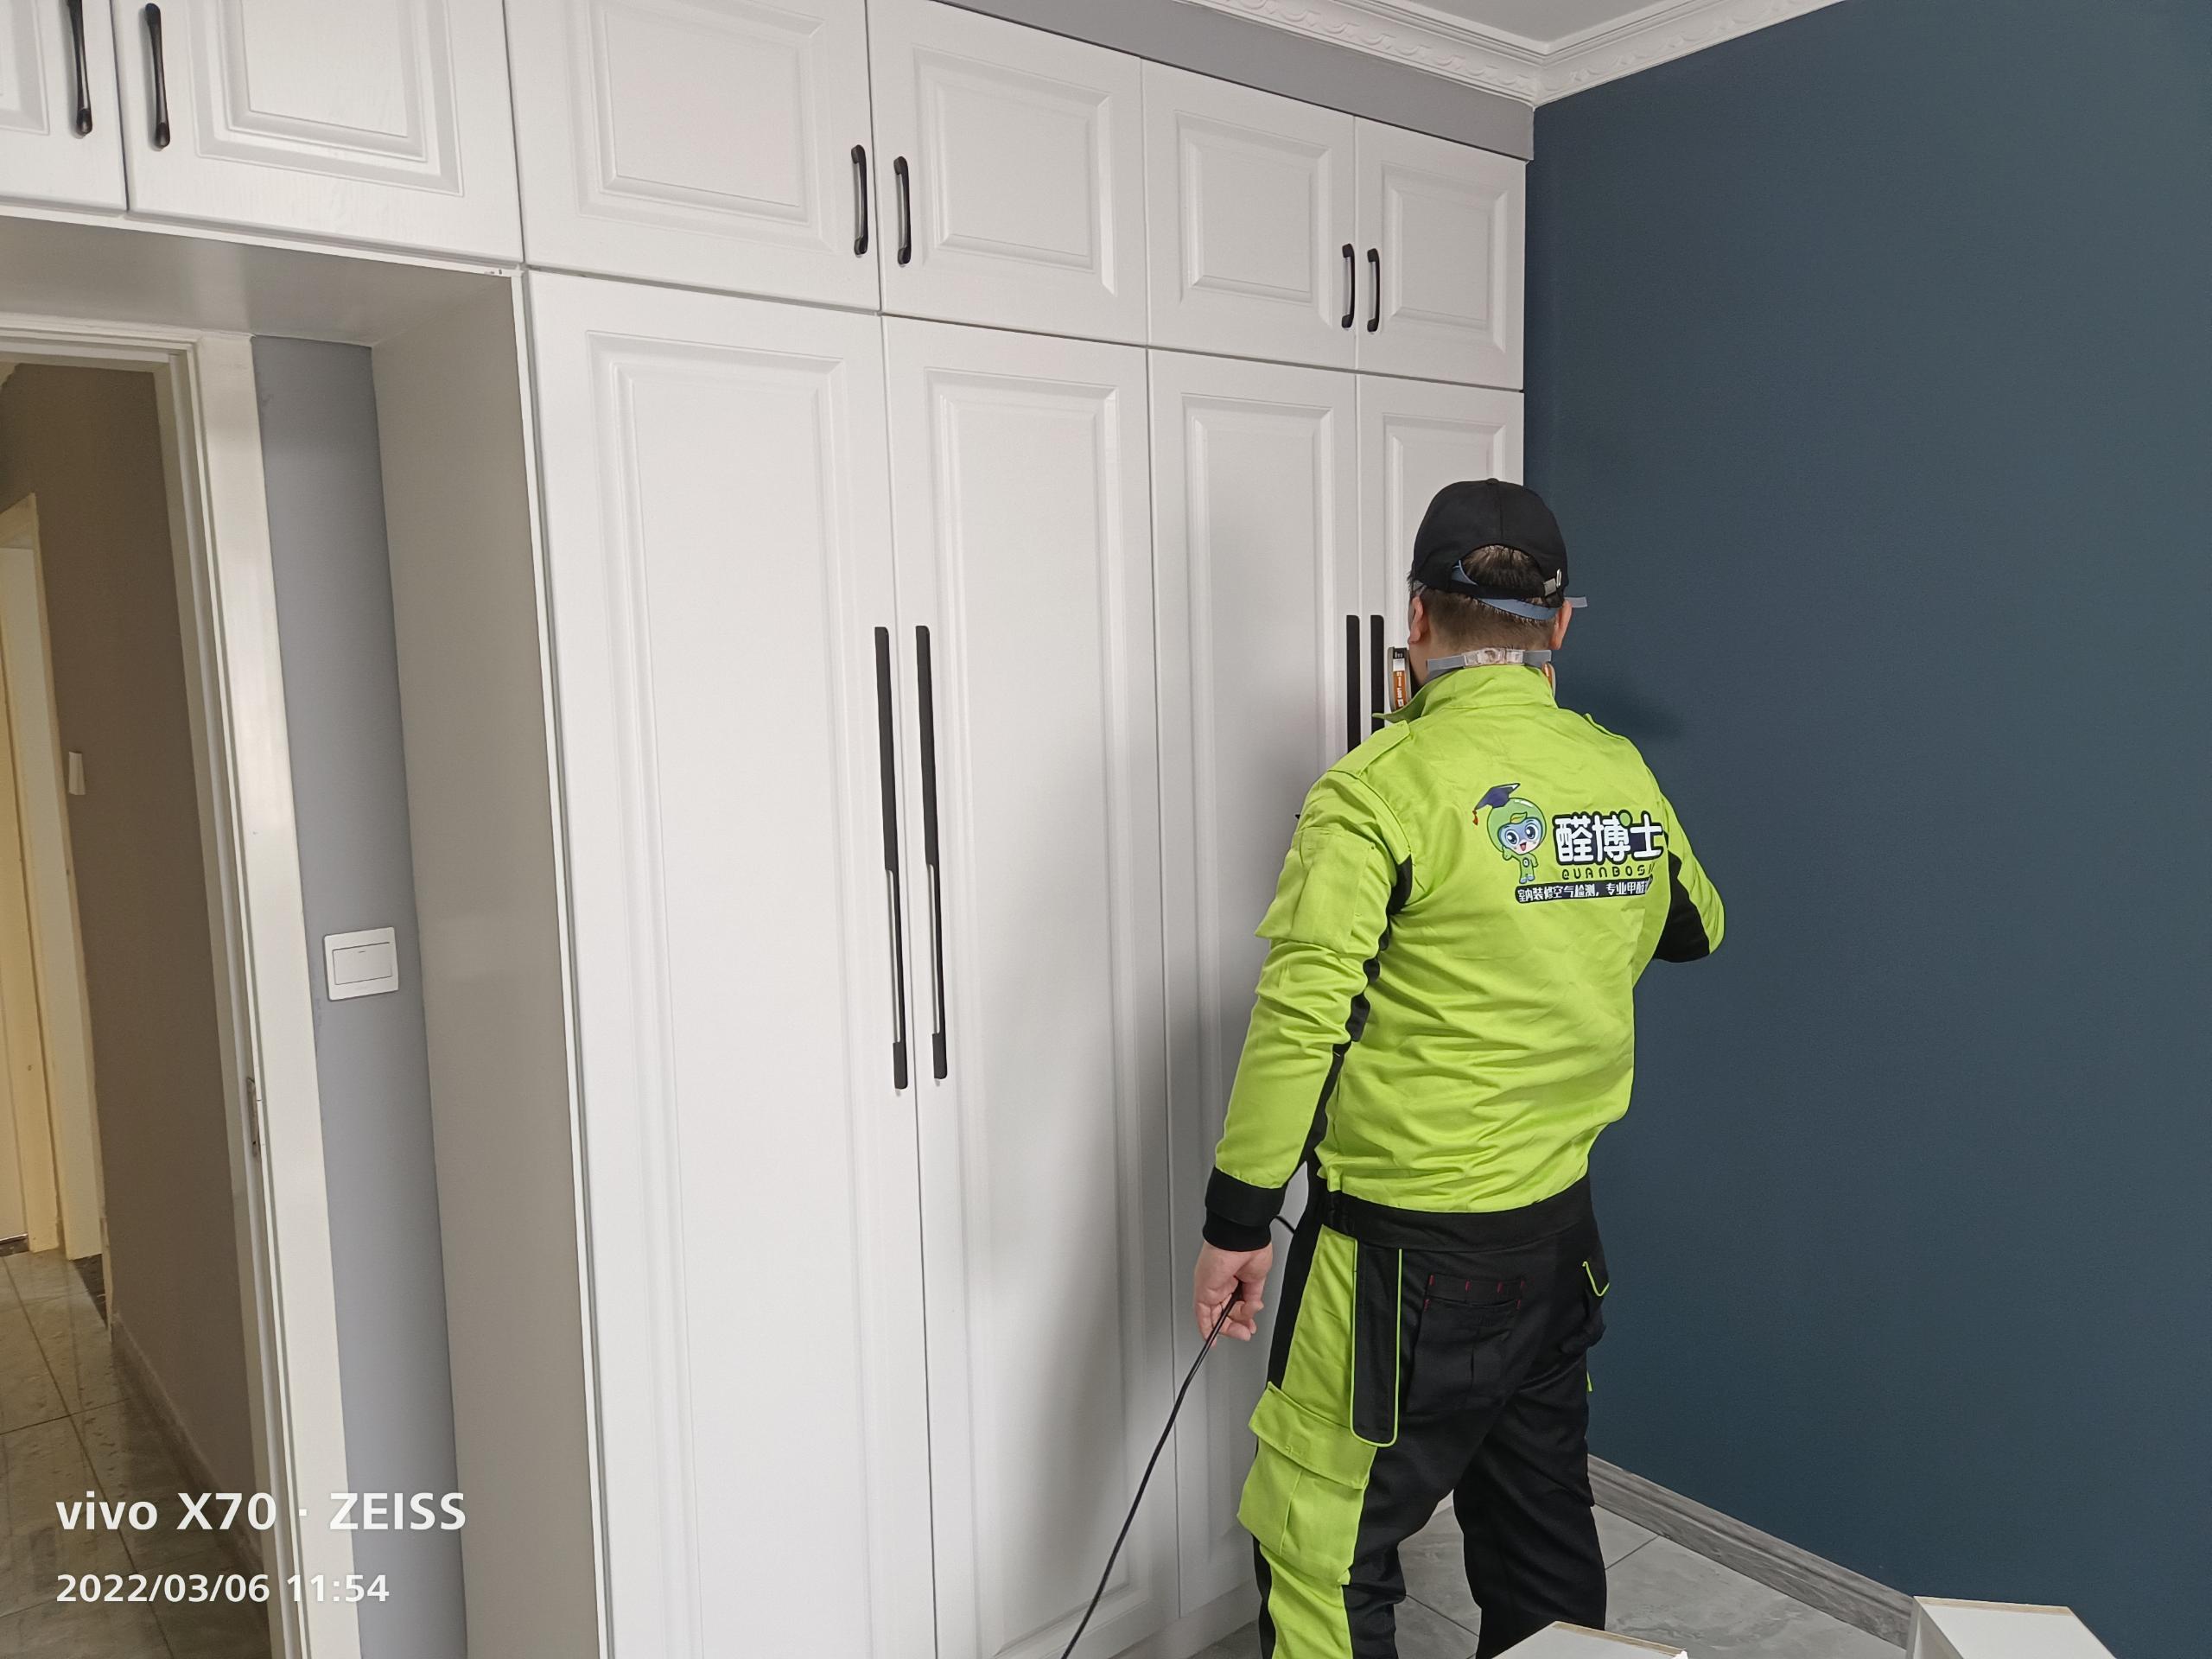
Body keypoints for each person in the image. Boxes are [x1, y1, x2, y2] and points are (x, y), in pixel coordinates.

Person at [1191, 480, 1725, 1658]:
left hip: (1399, 1264)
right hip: (1554, 1247)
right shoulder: (1618, 773)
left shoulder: (1376, 792)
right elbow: (1697, 926)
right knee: (1543, 1543)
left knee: (1322, 1555)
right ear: (1560, 627)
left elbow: (1299, 1026)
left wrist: (1236, 1224)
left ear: (1417, 621)